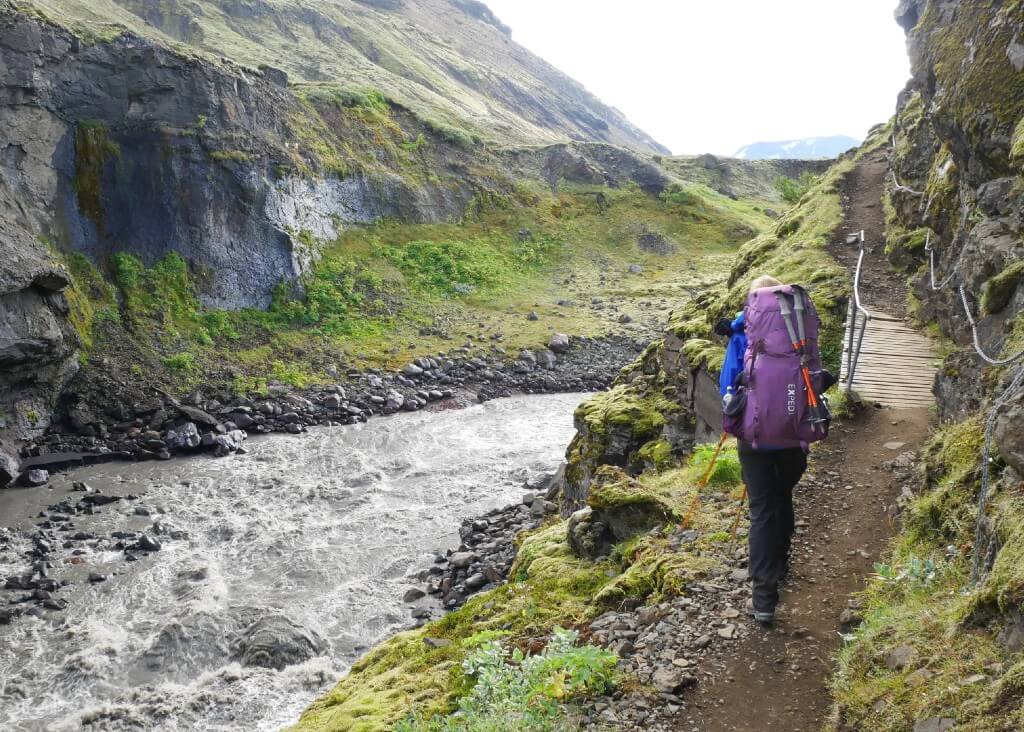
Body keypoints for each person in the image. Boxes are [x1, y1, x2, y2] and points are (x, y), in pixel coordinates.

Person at [727, 275, 810, 624]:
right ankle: (782, 561)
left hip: (754, 438)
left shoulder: (741, 334)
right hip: (794, 436)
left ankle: (764, 599)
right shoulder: (800, 335)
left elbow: (729, 385)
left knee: (761, 509)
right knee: (782, 497)